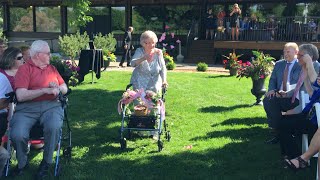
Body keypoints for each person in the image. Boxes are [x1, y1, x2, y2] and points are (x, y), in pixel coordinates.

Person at [10, 40, 68, 179]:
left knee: (53, 126)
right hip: (27, 108)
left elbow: (65, 87)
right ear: (37, 55)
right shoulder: (24, 69)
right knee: (18, 134)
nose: (50, 55)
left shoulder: (52, 69)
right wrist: (44, 90)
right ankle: (22, 163)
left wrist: (57, 88)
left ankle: (46, 162)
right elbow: (21, 95)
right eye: (47, 53)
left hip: (51, 106)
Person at [278, 44, 320, 160]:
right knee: (282, 121)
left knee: (284, 125)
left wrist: (309, 63)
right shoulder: (305, 69)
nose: (297, 57)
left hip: (315, 121)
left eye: (300, 55)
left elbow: (315, 81)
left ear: (309, 56)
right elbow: (312, 94)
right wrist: (305, 75)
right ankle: (291, 155)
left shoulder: (316, 67)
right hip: (311, 115)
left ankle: (296, 158)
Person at [263, 42, 301, 144]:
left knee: (276, 105)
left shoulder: (300, 65)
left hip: (293, 96)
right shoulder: (279, 64)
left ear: (296, 52)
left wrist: (287, 93)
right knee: (268, 100)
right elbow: (273, 79)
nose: (286, 54)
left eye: (288, 51)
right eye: (284, 51)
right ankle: (276, 130)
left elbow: (300, 84)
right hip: (278, 94)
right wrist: (271, 89)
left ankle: (279, 132)